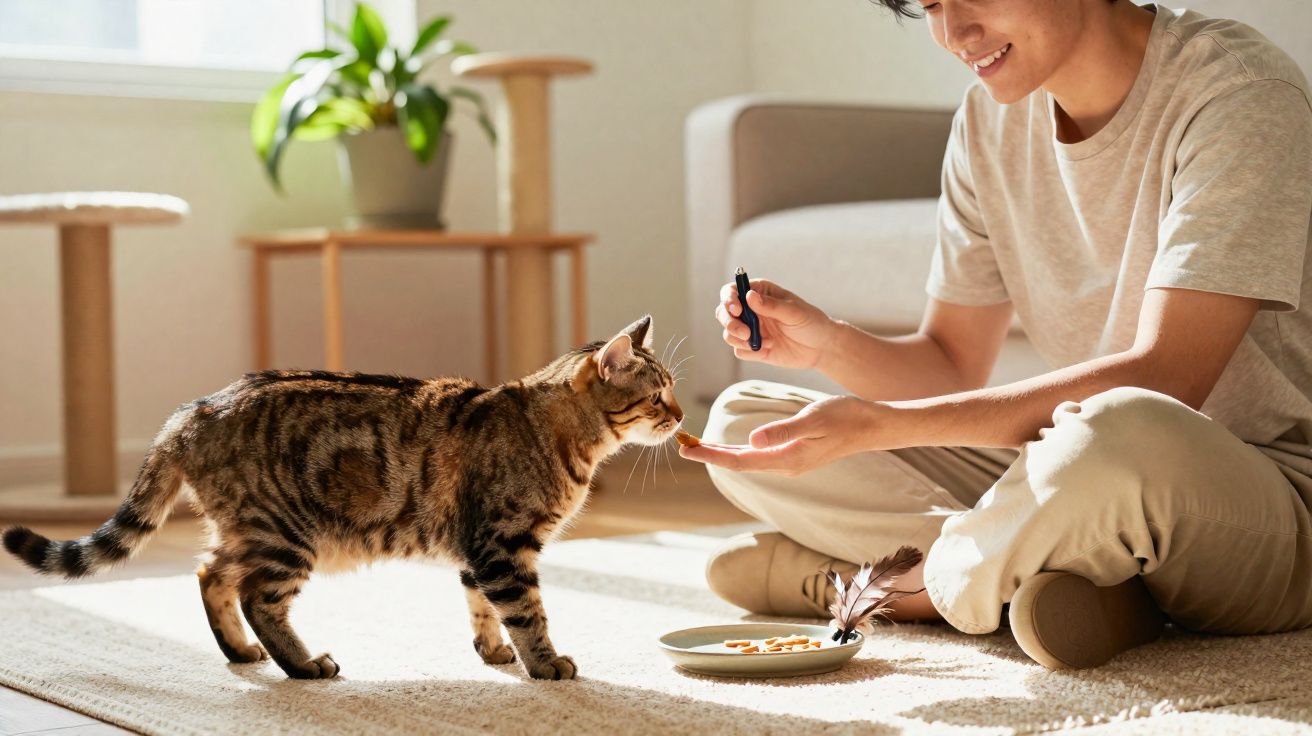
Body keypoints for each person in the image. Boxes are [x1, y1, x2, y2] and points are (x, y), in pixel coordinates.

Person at [679, 0, 1312, 670]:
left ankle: (887, 588)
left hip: (1265, 493)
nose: (954, 34)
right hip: (1079, 469)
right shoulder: (989, 119)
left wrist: (879, 425)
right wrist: (828, 345)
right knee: (747, 421)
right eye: (930, 6)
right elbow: (951, 363)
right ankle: (1086, 588)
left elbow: (1168, 379)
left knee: (1122, 429)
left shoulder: (1238, 91)